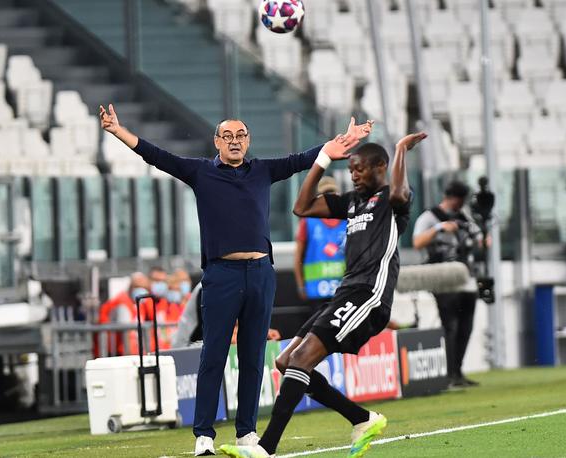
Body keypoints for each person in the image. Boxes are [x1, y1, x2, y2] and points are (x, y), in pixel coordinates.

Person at [99, 103, 372, 456]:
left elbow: (301, 159)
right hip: (221, 275)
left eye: (240, 135)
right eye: (227, 136)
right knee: (213, 355)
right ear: (216, 141)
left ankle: (247, 433)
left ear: (248, 140)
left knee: (252, 355)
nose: (234, 141)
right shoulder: (200, 172)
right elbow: (156, 156)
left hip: (261, 273)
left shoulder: (261, 171)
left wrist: (338, 144)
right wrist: (119, 131)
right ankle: (203, 436)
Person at [219, 132, 427, 458]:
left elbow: (401, 192)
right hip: (344, 293)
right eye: (352, 169)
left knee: (301, 360)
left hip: (369, 296)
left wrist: (401, 149)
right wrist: (323, 159)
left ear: (381, 167)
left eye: (361, 169)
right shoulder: (353, 202)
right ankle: (362, 418)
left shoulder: (391, 199)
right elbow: (300, 207)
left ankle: (265, 448)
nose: (354, 175)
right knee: (286, 360)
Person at [412, 180, 484, 388]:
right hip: (442, 277)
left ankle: (457, 372)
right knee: (450, 324)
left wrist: (482, 235)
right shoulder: (430, 217)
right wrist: (439, 228)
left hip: (465, 276)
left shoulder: (464, 216)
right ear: (451, 198)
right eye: (458, 201)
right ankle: (449, 374)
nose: (459, 206)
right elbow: (417, 243)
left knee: (466, 325)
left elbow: (480, 240)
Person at [293, 176, 347, 310]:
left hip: (343, 290)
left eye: (332, 193)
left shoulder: (348, 220)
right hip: (316, 292)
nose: (330, 198)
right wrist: (301, 286)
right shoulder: (308, 222)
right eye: (325, 194)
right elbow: (298, 256)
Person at [96, 272, 151, 356]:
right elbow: (125, 334)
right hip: (118, 353)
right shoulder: (122, 303)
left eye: (144, 287)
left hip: (131, 351)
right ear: (130, 287)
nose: (141, 290)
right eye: (137, 286)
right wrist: (129, 356)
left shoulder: (138, 303)